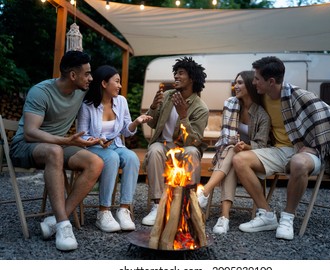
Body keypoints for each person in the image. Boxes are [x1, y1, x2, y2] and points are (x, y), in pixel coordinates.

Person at [233, 56, 330, 240]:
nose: (254, 82)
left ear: (271, 81)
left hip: (305, 152)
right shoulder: (262, 98)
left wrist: (316, 148)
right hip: (278, 150)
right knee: (239, 160)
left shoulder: (299, 96)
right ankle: (266, 214)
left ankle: (287, 218)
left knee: (298, 163)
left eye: (257, 79)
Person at [9, 50, 104, 251]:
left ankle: (56, 220)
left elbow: (109, 88)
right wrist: (66, 140)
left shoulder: (82, 90)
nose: (91, 78)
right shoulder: (41, 91)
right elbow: (30, 132)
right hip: (25, 146)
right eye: (87, 73)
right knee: (55, 151)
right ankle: (63, 226)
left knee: (95, 162)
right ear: (72, 75)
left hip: (59, 145)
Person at [77, 65, 152, 233]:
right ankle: (103, 212)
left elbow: (126, 130)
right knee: (111, 158)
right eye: (116, 82)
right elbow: (81, 136)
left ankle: (124, 209)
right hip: (94, 148)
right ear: (104, 83)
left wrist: (136, 122)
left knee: (131, 157)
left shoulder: (121, 101)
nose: (119, 86)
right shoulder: (87, 105)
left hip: (116, 145)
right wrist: (97, 140)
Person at [196, 70, 270, 234]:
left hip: (255, 156)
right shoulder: (231, 104)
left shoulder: (262, 114)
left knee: (233, 153)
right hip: (233, 153)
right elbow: (226, 137)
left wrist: (245, 147)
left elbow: (263, 145)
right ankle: (224, 217)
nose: (235, 86)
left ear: (250, 85)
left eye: (240, 83)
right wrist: (236, 147)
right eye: (235, 82)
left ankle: (206, 193)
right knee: (231, 153)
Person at [141, 56, 209, 226]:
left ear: (192, 78)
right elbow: (152, 122)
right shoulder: (167, 96)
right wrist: (154, 106)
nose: (176, 77)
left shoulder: (200, 107)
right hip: (164, 146)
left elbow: (194, 142)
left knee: (193, 152)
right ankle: (158, 206)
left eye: (181, 73)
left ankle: (188, 206)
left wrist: (184, 116)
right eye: (175, 73)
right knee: (155, 149)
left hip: (184, 148)